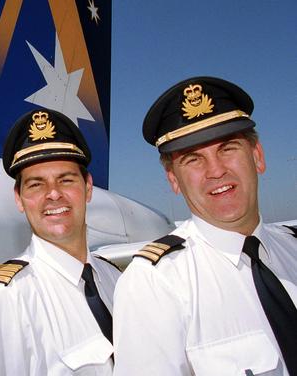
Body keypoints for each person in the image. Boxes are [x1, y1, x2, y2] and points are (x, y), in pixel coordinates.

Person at [113, 76, 297, 375]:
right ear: (173, 179)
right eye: (193, 159)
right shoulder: (154, 285)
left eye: (228, 149)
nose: (216, 171)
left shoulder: (293, 247)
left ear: (257, 157)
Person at [0, 108, 121, 375]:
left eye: (66, 180)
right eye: (36, 185)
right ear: (19, 199)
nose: (53, 194)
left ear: (88, 188)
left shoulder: (116, 280)